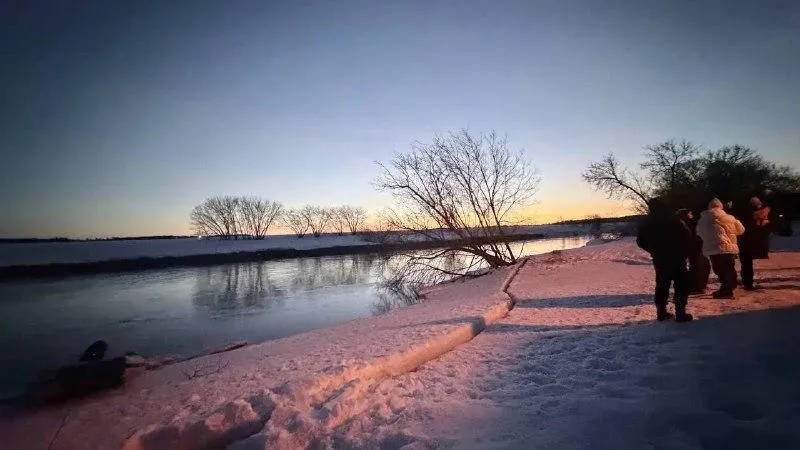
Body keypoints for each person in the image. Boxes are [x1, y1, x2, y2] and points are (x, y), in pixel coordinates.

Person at [636, 198, 694, 322]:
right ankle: (680, 312)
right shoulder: (675, 220)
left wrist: (653, 250)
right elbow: (687, 236)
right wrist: (684, 251)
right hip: (677, 256)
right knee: (681, 284)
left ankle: (661, 312)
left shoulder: (647, 223)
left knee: (662, 285)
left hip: (660, 258)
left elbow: (640, 242)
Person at [696, 198, 745, 299]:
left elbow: (698, 232)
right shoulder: (730, 218)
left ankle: (726, 290)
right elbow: (741, 230)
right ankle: (730, 286)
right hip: (729, 248)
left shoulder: (703, 219)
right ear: (721, 206)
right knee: (729, 267)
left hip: (713, 249)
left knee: (720, 269)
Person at [736, 196, 772, 290]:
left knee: (746, 263)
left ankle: (747, 283)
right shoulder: (758, 213)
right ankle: (748, 283)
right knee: (747, 263)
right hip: (750, 241)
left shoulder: (743, 213)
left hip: (743, 241)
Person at [676, 208, 710, 294]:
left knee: (696, 266)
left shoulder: (683, 224)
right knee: (701, 265)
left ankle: (697, 286)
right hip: (699, 247)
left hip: (694, 247)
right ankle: (700, 285)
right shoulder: (696, 222)